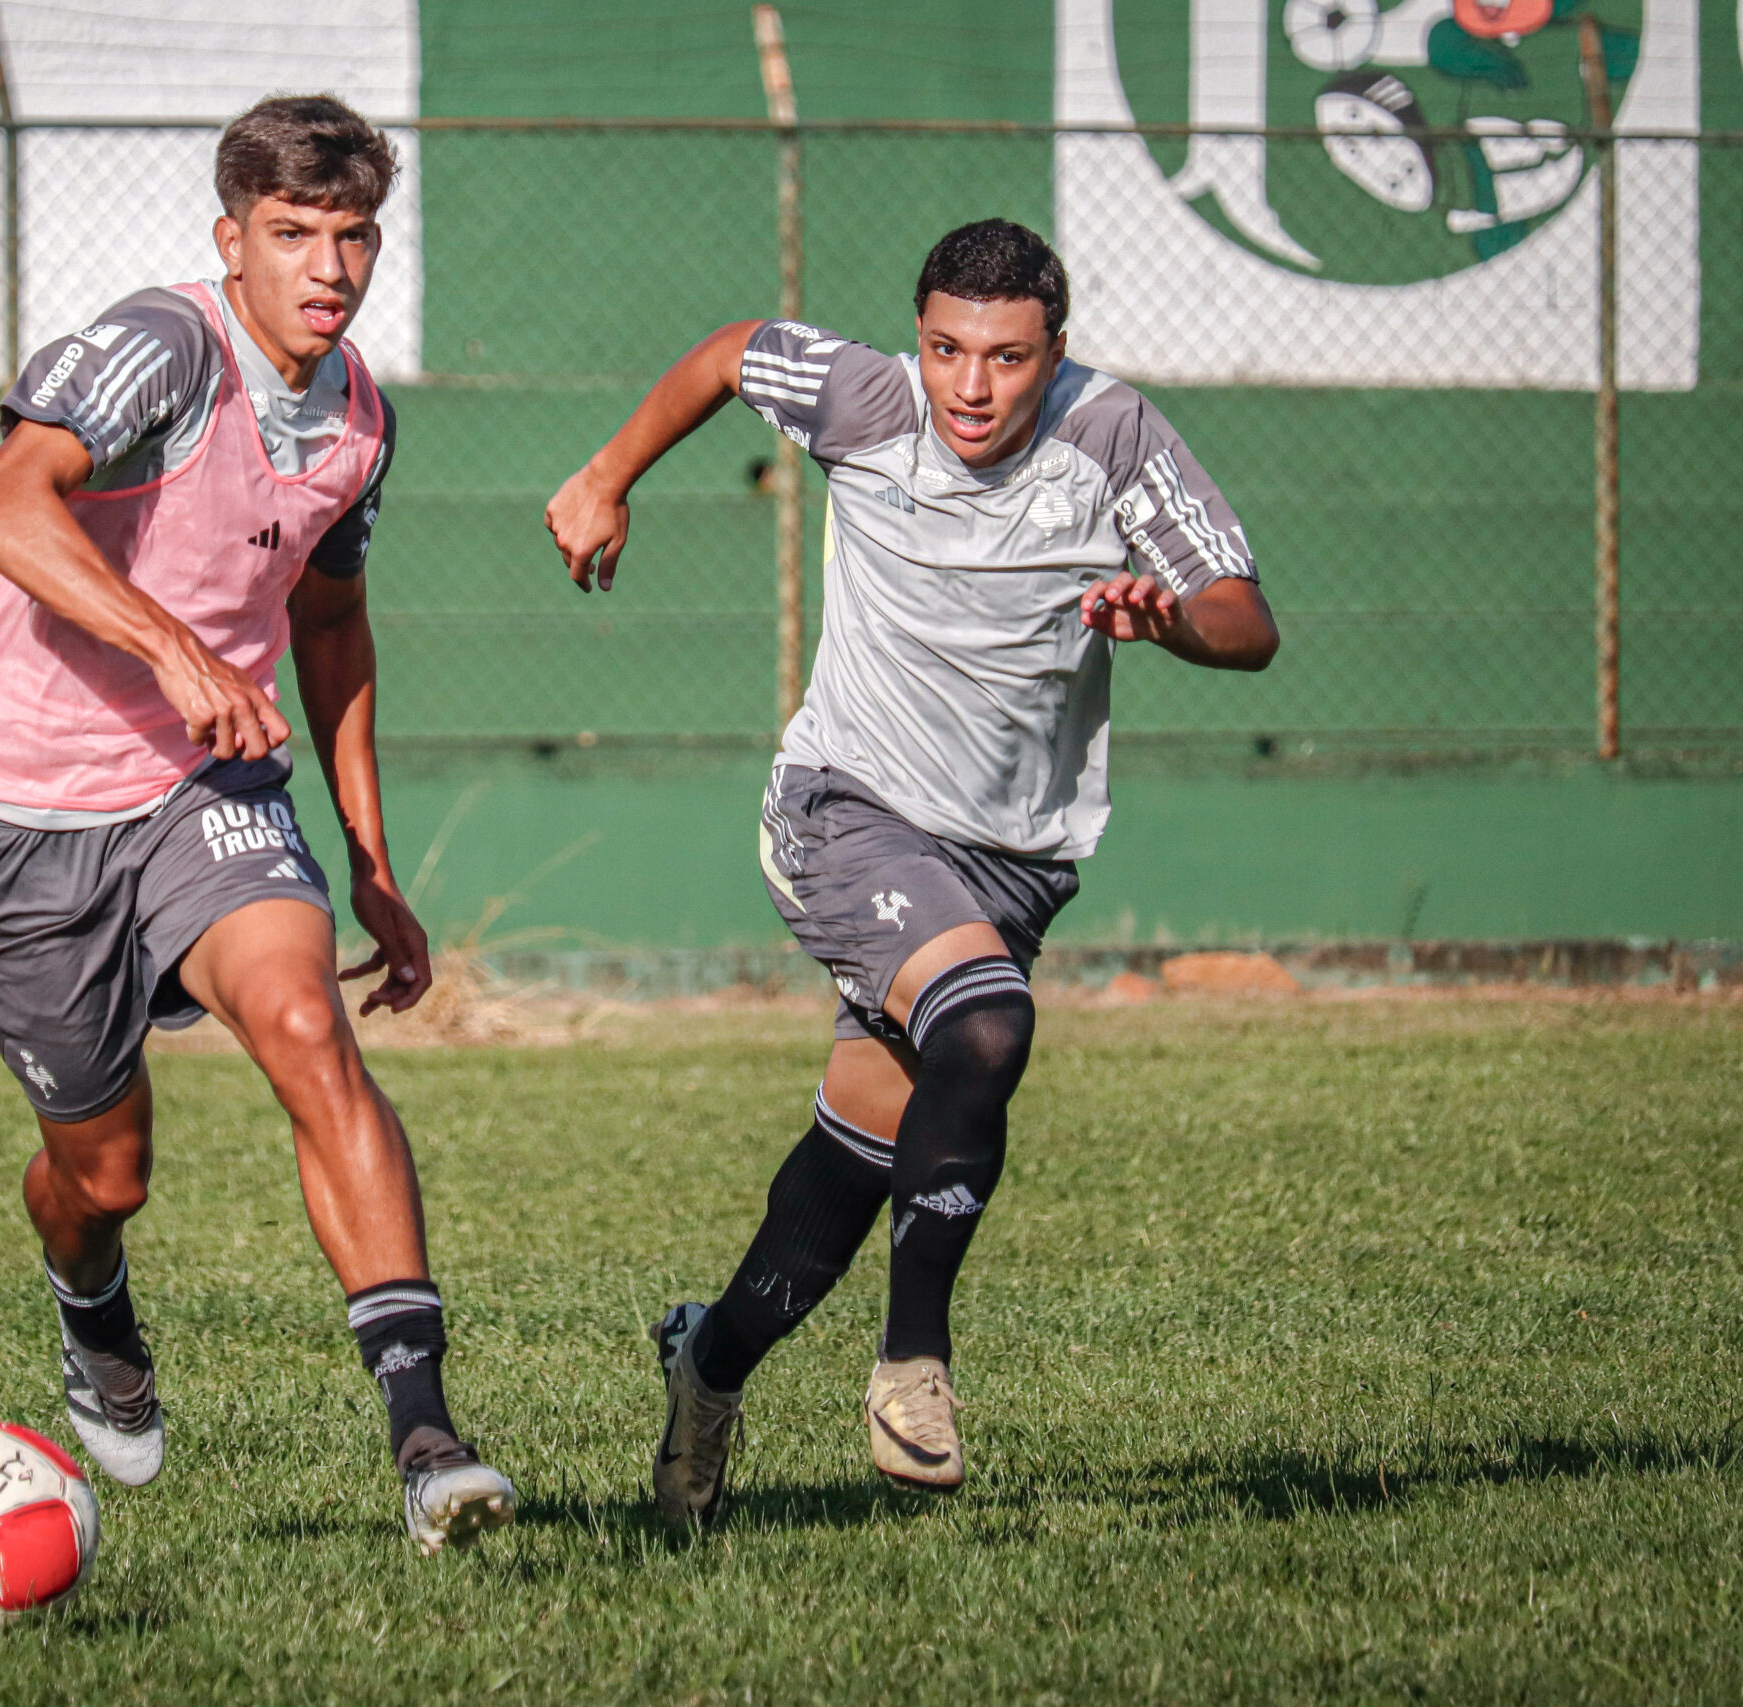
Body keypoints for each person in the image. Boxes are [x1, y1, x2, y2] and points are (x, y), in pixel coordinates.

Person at [544, 219, 1279, 1524]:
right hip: (849, 813)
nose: (971, 387)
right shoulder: (865, 401)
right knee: (987, 1027)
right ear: (919, 340)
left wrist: (1168, 620)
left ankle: (706, 1369)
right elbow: (728, 353)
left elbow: (1245, 621)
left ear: (1055, 353)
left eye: (1006, 357)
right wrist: (606, 477)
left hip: (1012, 863)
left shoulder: (1111, 437)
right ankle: (914, 1363)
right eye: (947, 349)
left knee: (849, 1167)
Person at [0, 94, 514, 1555]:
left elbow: (334, 624)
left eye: (354, 237)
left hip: (206, 794)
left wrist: (369, 861)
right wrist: (176, 653)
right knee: (105, 1176)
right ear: (230, 238)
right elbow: (1, 504)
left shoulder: (361, 414)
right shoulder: (165, 347)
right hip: (16, 814)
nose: (328, 266)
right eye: (293, 234)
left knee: (305, 1024)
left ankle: (426, 1437)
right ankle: (91, 1305)